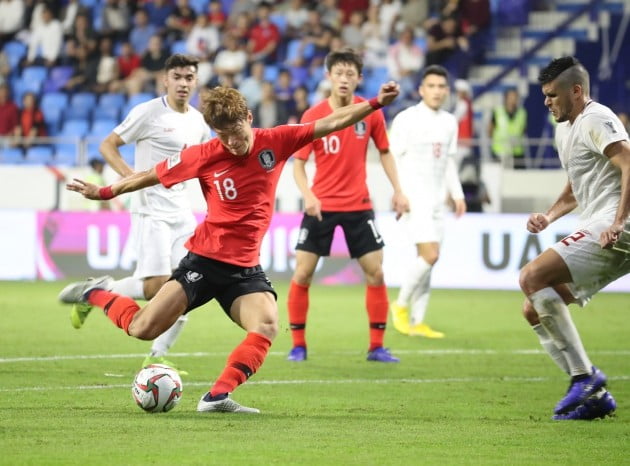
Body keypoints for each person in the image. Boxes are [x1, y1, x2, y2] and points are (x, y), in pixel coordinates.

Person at [59, 81, 401, 413]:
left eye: (236, 131)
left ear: (249, 118)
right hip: (202, 263)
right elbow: (149, 175)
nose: (232, 142)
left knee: (267, 325)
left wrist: (375, 104)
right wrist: (104, 192)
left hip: (244, 270)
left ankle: (216, 397)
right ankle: (96, 294)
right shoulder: (204, 155)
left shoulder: (277, 141)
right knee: (141, 329)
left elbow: (330, 122)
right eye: (222, 135)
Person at [71, 54, 212, 374]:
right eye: (177, 76)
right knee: (153, 288)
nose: (183, 83)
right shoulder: (148, 112)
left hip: (182, 214)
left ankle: (157, 354)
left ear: (196, 82)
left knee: (188, 287)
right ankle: (96, 291)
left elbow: (202, 167)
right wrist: (129, 178)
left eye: (189, 77)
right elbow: (108, 145)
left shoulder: (199, 122)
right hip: (151, 212)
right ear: (165, 80)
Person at [520, 56, 630, 420]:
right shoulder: (564, 129)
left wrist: (618, 220)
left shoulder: (596, 118)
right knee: (533, 306)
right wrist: (548, 216)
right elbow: (576, 188)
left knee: (531, 277)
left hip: (618, 226)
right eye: (545, 96)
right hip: (603, 224)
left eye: (552, 95)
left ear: (577, 91)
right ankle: (594, 398)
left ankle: (585, 376)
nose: (547, 102)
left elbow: (629, 164)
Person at [285, 49, 408, 363]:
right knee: (302, 273)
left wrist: (398, 190)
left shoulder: (371, 112)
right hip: (320, 206)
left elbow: (384, 152)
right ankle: (298, 345)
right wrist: (308, 195)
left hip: (358, 205)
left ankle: (376, 347)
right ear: (328, 76)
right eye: (338, 73)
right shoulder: (313, 116)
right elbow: (298, 164)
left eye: (350, 74)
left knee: (376, 272)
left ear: (359, 79)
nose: (344, 79)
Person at [388, 65, 467, 338]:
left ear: (446, 91)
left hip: (437, 202)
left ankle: (417, 321)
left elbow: (447, 163)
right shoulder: (406, 119)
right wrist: (398, 192)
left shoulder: (449, 122)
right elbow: (392, 159)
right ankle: (398, 306)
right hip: (414, 197)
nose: (436, 91)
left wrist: (457, 194)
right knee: (430, 254)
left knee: (428, 262)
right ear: (421, 90)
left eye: (441, 87)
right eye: (431, 86)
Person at [488, 88, 528, 169]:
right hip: (500, 151)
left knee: (519, 177)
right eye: (511, 97)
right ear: (506, 98)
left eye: (515, 97)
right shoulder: (497, 111)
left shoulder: (522, 113)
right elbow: (490, 130)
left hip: (517, 152)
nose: (513, 100)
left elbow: (523, 129)